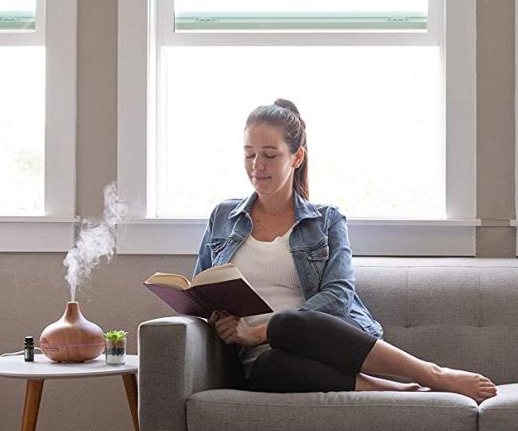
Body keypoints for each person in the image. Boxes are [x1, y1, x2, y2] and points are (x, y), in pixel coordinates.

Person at [194, 98, 497, 403]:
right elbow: (201, 291)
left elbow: (339, 296)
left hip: (317, 341)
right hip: (262, 361)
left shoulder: (326, 219)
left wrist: (261, 331)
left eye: (269, 155)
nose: (257, 166)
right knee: (267, 369)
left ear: (297, 157)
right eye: (249, 155)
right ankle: (401, 391)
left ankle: (432, 374)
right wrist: (220, 320)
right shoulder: (223, 216)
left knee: (287, 323)